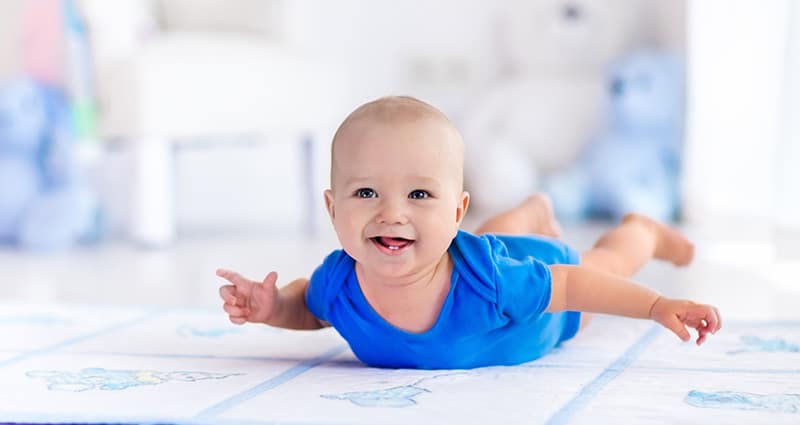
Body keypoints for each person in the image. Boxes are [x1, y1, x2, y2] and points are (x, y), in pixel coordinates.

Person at [217, 96, 721, 369]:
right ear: (332, 208)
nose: (392, 213)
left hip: (548, 296)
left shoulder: (492, 281)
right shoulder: (339, 282)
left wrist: (657, 306)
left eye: (419, 194)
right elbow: (310, 309)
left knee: (605, 263)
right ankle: (531, 210)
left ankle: (643, 232)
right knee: (492, 238)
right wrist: (273, 307)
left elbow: (571, 285)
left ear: (457, 210)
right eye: (366, 192)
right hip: (481, 249)